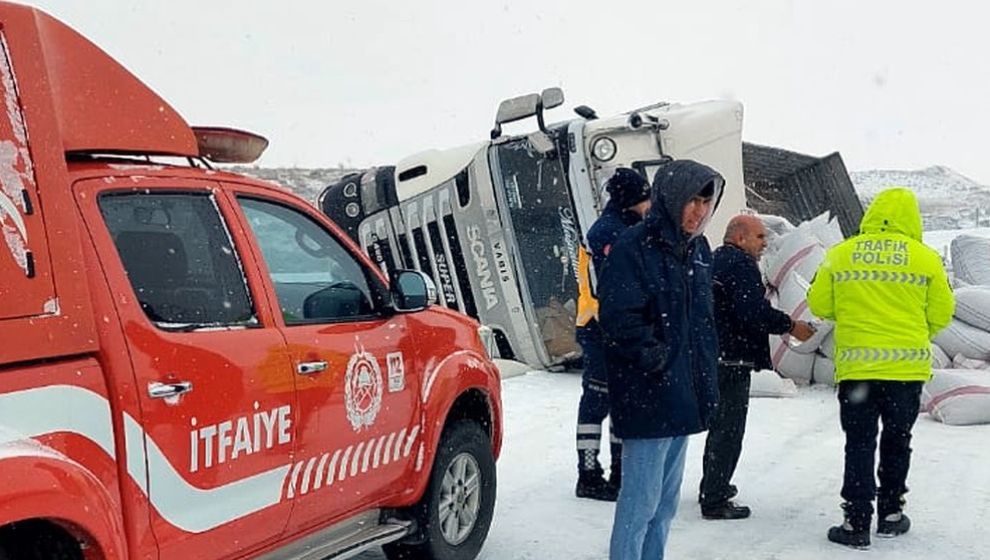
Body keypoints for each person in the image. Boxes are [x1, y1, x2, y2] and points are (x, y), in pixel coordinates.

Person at [807, 187, 954, 549]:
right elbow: (941, 314)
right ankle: (891, 514)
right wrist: (914, 331)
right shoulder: (926, 259)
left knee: (858, 443)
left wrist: (857, 315)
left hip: (858, 370)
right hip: (905, 372)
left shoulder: (841, 255)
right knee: (897, 440)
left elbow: (820, 304)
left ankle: (856, 522)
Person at [598, 159, 723, 560]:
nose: (699, 211)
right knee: (640, 507)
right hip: (648, 395)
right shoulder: (633, 248)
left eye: (706, 202)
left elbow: (702, 323)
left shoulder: (699, 250)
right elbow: (620, 320)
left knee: (665, 508)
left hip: (683, 393)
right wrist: (658, 361)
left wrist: (704, 376)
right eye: (692, 200)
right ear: (670, 198)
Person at [699, 214, 815, 519]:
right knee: (729, 429)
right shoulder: (740, 264)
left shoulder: (715, 260)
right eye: (760, 238)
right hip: (732, 357)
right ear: (740, 238)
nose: (764, 245)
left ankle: (713, 484)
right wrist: (791, 325)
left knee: (719, 427)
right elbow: (753, 311)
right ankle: (714, 499)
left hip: (713, 354)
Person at [573, 168, 652, 502]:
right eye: (645, 198)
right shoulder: (609, 233)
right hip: (602, 330)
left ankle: (620, 474)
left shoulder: (624, 228)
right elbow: (620, 286)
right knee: (597, 402)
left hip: (616, 330)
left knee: (623, 402)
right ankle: (590, 475)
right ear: (629, 199)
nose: (650, 204)